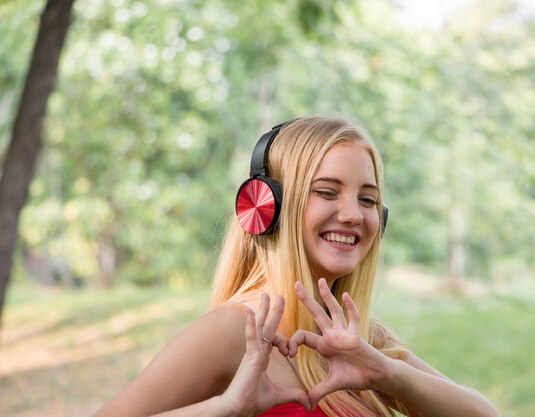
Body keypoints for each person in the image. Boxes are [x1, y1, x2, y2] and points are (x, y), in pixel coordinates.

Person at [93, 116, 500, 417]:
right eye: (327, 191)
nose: (354, 215)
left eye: (368, 199)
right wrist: (226, 408)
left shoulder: (366, 341)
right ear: (266, 206)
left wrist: (387, 374)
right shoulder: (234, 331)